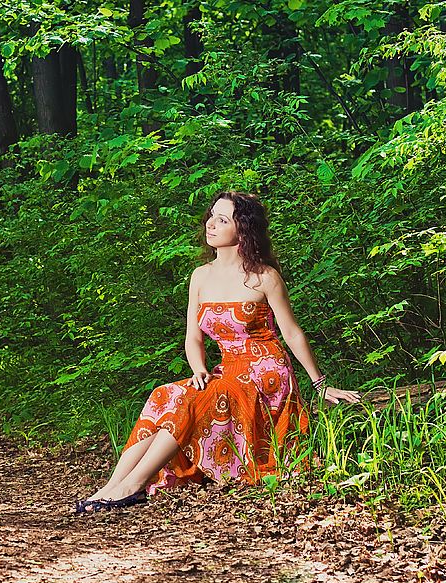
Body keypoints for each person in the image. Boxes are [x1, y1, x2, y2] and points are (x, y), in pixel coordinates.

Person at [75, 191, 362, 513]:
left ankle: (133, 485)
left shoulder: (264, 277)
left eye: (222, 219)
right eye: (211, 216)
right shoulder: (201, 276)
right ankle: (112, 485)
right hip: (228, 368)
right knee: (163, 394)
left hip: (265, 372)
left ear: (243, 229)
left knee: (192, 400)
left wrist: (320, 383)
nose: (210, 224)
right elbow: (192, 338)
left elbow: (292, 333)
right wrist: (198, 368)